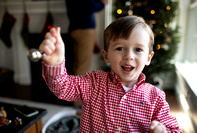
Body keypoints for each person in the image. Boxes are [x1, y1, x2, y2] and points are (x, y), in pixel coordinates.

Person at [39, 16, 182, 132]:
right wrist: (55, 63)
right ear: (106, 56)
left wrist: (162, 131)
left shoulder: (155, 97)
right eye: (120, 48)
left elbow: (175, 130)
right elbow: (63, 87)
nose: (129, 56)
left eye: (138, 49)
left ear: (148, 58)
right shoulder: (94, 83)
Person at [65, 0, 108, 75]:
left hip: (74, 28)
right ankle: (78, 86)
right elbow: (90, 6)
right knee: (83, 65)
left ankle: (74, 85)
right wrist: (102, 3)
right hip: (84, 29)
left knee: (77, 64)